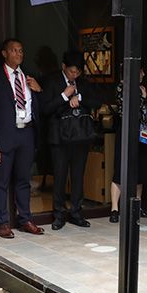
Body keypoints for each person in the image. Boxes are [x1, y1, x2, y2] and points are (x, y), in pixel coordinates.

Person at [0, 38, 45, 238]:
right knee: (1, 181)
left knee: (24, 179)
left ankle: (25, 219)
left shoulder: (29, 77)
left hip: (26, 133)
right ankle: (2, 222)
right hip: (4, 136)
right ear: (4, 53)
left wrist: (39, 91)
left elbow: (37, 106)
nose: (19, 54)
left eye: (21, 50)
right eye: (14, 50)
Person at [42, 50, 100, 229]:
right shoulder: (52, 81)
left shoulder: (83, 83)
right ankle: (58, 214)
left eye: (77, 72)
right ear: (64, 67)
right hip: (59, 137)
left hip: (80, 136)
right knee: (59, 176)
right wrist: (64, 96)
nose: (74, 75)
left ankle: (76, 212)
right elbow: (45, 109)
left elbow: (96, 101)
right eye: (71, 72)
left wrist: (80, 97)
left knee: (77, 176)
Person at [110, 66, 147, 223]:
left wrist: (144, 96)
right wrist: (142, 97)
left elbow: (145, 113)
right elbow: (128, 110)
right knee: (120, 169)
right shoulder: (122, 87)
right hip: (126, 131)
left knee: (140, 170)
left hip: (141, 133)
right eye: (141, 71)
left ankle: (138, 206)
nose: (143, 74)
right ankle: (115, 208)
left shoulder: (142, 88)